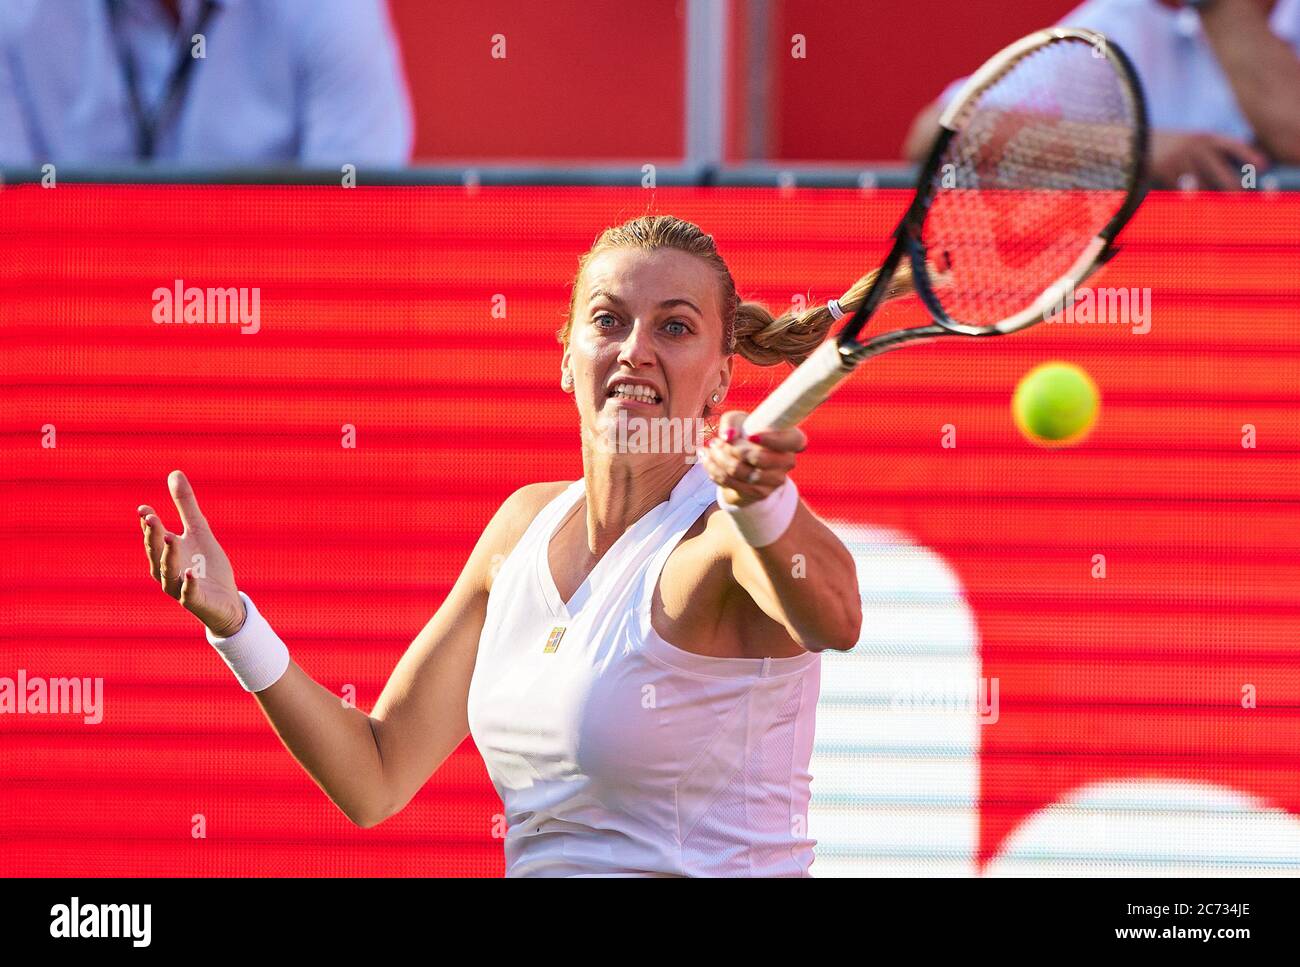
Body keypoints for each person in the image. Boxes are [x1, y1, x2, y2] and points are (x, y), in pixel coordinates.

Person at [135, 215, 905, 877]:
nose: (636, 349)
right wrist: (233, 620)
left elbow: (836, 616)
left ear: (720, 381)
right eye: (609, 320)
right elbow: (375, 774)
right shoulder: (521, 528)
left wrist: (764, 502)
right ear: (566, 354)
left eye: (674, 326)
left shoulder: (721, 538)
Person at [903, 0, 1300, 189]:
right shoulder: (1128, 22)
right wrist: (1134, 149)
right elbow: (939, 133)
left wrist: (1224, 9)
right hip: (1173, 311)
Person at [0, 0, 411, 166]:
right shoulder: (16, 20)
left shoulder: (328, 12)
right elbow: (12, 250)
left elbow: (355, 244)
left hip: (268, 325)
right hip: (76, 328)